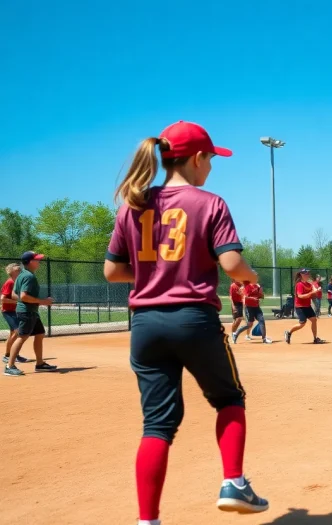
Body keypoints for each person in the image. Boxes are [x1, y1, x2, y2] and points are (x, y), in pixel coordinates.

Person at [103, 121, 268, 523]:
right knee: (228, 398)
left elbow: (112, 272)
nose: (211, 167)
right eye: (210, 158)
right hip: (193, 318)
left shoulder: (133, 204)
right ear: (196, 158)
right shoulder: (209, 203)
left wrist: (153, 273)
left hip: (145, 324)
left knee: (157, 424)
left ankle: (148, 520)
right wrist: (251, 276)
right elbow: (231, 263)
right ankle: (233, 482)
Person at [5, 252, 57, 376]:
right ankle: (9, 366)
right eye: (36, 260)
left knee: (40, 333)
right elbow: (23, 296)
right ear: (30, 262)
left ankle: (40, 364)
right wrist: (43, 301)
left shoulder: (22, 275)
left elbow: (14, 294)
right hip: (27, 312)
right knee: (22, 337)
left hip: (30, 310)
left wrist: (33, 302)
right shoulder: (29, 277)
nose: (38, 262)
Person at [285, 270, 325, 344]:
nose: (307, 275)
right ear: (301, 275)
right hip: (300, 307)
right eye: (305, 274)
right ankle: (289, 332)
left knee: (314, 319)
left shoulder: (309, 285)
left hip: (307, 306)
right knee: (302, 323)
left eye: (308, 274)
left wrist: (316, 293)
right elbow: (300, 296)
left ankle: (315, 338)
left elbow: (313, 294)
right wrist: (312, 293)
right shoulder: (299, 284)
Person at [2, 263, 30, 365]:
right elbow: (3, 299)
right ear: (12, 272)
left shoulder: (17, 282)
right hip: (8, 311)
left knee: (13, 333)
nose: (20, 270)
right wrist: (18, 302)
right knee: (17, 331)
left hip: (15, 311)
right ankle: (7, 356)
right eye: (18, 269)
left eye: (20, 269)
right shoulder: (10, 282)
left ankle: (13, 355)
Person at [233, 275, 271, 344]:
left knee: (262, 321)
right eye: (255, 277)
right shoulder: (248, 286)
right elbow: (245, 297)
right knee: (249, 325)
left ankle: (264, 339)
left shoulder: (257, 286)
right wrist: (253, 298)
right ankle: (236, 334)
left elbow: (261, 296)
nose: (257, 279)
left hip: (256, 307)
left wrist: (261, 294)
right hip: (249, 307)